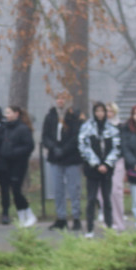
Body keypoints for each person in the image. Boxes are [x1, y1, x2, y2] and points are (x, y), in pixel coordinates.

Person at [78, 102, 121, 238]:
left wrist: (107, 164)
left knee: (107, 199)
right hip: (92, 170)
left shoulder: (112, 129)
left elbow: (117, 147)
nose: (100, 114)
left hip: (107, 170)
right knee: (91, 199)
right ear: (94, 112)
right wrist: (96, 164)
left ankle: (109, 227)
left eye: (102, 111)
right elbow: (83, 146)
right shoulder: (87, 127)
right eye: (98, 111)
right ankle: (90, 228)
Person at [41, 92, 83, 231]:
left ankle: (76, 217)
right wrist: (53, 147)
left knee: (74, 188)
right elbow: (45, 136)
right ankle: (61, 218)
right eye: (58, 98)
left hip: (71, 158)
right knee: (58, 189)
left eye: (63, 99)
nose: (60, 101)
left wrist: (65, 150)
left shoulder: (74, 116)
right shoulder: (50, 116)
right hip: (55, 157)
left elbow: (77, 136)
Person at [0, 105, 37, 227]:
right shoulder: (6, 128)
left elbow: (29, 146)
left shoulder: (23, 129)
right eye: (6, 113)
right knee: (13, 191)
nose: (6, 115)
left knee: (16, 190)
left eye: (9, 112)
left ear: (16, 114)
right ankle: (22, 217)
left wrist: (13, 152)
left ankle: (29, 214)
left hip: (18, 164)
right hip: (7, 163)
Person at [104, 102, 127, 232]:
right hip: (102, 163)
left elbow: (122, 145)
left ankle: (119, 222)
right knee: (102, 194)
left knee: (115, 191)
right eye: (106, 111)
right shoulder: (98, 127)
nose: (108, 114)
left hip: (117, 161)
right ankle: (109, 221)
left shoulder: (120, 127)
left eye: (110, 111)